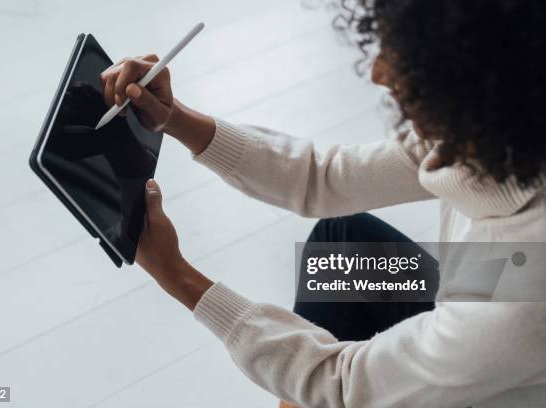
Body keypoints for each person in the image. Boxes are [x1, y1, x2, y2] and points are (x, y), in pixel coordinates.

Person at [100, 1, 546, 406]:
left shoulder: (521, 303)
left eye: (406, 58)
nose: (380, 73)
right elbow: (324, 176)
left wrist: (177, 275)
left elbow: (344, 385)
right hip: (482, 301)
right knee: (343, 245)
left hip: (494, 366)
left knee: (324, 382)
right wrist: (174, 118)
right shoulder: (492, 140)